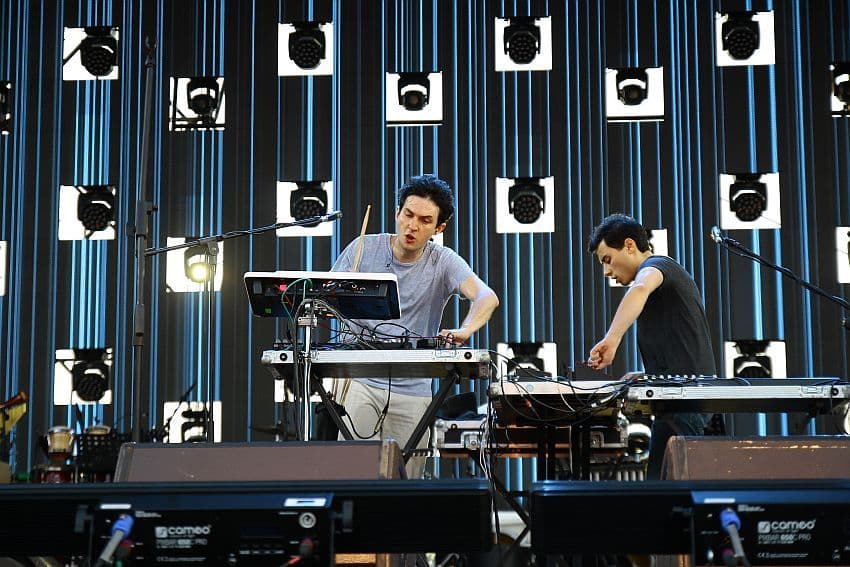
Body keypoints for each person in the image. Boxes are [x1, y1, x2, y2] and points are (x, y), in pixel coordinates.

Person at [331, 174, 499, 478]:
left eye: (425, 220)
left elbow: (487, 297)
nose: (412, 226)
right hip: (360, 381)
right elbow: (324, 300)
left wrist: (464, 330)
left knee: (407, 484)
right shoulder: (363, 248)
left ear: (439, 228)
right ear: (397, 213)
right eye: (408, 215)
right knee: (354, 477)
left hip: (414, 388)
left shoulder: (443, 261)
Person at [586, 213, 716, 480]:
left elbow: (640, 288)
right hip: (681, 403)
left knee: (663, 491)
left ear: (629, 245)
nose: (606, 272)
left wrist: (612, 339)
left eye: (607, 260)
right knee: (663, 490)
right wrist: (649, 376)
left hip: (686, 405)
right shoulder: (663, 277)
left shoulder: (656, 266)